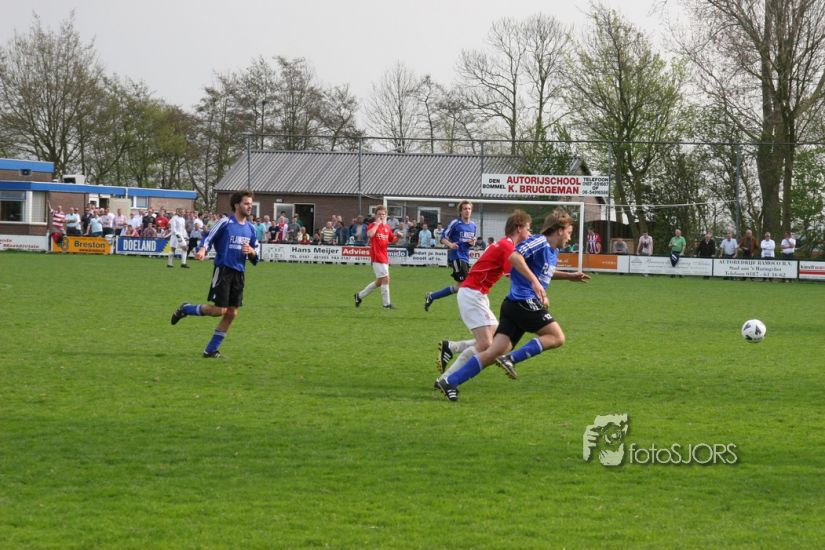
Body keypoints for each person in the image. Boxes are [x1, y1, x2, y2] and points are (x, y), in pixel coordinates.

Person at [434, 209, 590, 401]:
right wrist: (535, 283)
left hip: (513, 305)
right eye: (569, 232)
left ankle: (450, 381)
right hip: (523, 301)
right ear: (559, 230)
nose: (570, 237)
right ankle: (510, 359)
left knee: (493, 352)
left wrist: (569, 276)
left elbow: (544, 272)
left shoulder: (553, 250)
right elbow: (514, 258)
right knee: (556, 337)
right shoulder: (540, 241)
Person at [435, 210, 533, 383]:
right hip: (472, 293)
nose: (530, 233)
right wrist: (537, 282)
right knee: (486, 344)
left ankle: (452, 347)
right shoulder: (507, 247)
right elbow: (513, 275)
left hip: (476, 294)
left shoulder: (505, 244)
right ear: (519, 228)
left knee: (495, 341)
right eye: (528, 228)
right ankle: (446, 379)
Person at [170, 192, 259, 358]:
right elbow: (208, 237)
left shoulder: (251, 228)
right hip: (224, 270)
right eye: (246, 203)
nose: (249, 207)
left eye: (250, 204)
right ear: (237, 205)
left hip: (239, 274)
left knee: (232, 313)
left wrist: (252, 251)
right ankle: (186, 309)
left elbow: (256, 251)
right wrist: (203, 249)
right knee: (219, 310)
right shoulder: (225, 223)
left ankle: (211, 350)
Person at [424, 201, 477, 311]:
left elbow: (471, 241)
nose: (467, 211)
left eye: (469, 209)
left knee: (459, 287)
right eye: (465, 209)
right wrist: (450, 244)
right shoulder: (455, 223)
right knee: (464, 285)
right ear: (460, 211)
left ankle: (432, 296)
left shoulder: (473, 225)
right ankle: (467, 311)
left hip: (465, 257)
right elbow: (443, 238)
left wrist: (473, 242)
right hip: (457, 257)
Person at [353, 205, 400, 309]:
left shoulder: (387, 228)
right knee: (386, 279)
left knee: (379, 282)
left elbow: (392, 241)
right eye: (379, 214)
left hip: (384, 257)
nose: (381, 216)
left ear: (386, 215)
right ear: (375, 215)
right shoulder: (372, 225)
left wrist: (399, 237)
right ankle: (386, 304)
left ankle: (359, 296)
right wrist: (377, 224)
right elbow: (370, 235)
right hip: (376, 256)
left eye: (383, 214)